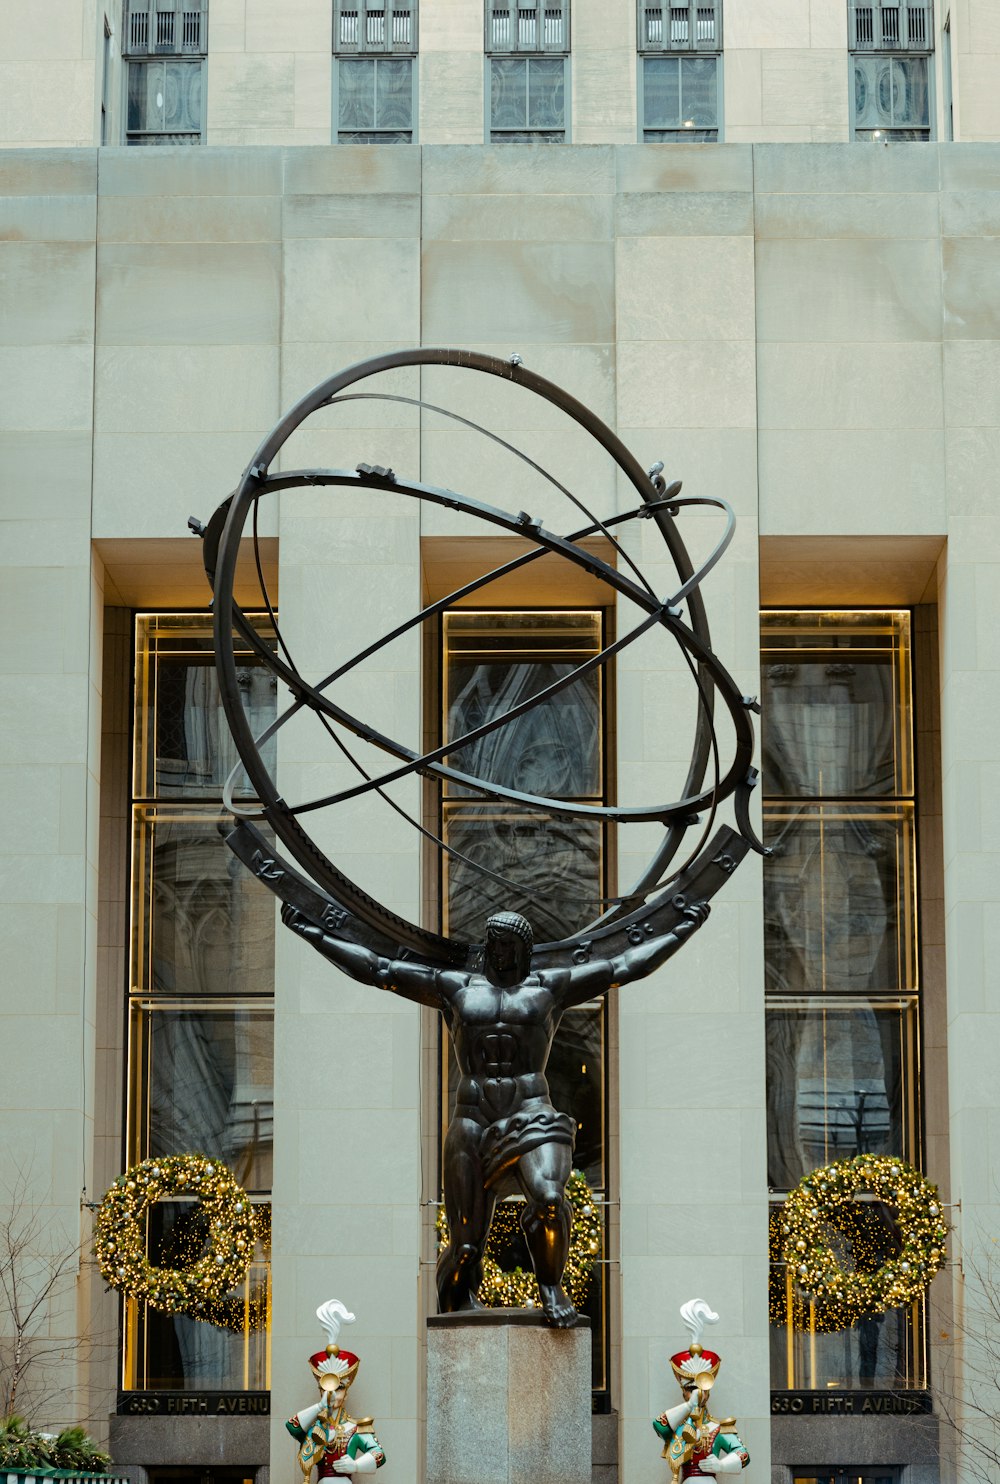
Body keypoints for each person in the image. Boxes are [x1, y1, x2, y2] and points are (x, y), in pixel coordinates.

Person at [282, 900, 708, 1326]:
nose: (495, 952)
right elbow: (380, 971)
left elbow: (622, 968)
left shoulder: (549, 988)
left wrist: (681, 930)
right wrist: (314, 934)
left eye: (504, 945)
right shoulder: (456, 989)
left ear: (522, 949)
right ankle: (455, 1309)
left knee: (550, 1199)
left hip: (530, 1113)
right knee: (466, 1249)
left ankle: (550, 1285)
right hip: (472, 1121)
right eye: (491, 943)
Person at [286, 1300, 386, 1478]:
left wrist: (355, 1465)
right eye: (325, 1388)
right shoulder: (313, 1427)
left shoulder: (356, 1428)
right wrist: (319, 1407)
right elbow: (292, 1426)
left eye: (339, 1388)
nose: (331, 1394)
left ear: (346, 1393)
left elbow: (379, 1455)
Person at [653, 1300, 750, 1480]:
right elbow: (659, 1425)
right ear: (683, 1391)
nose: (697, 1392)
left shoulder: (718, 1428)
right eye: (690, 1388)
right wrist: (688, 1406)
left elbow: (743, 1455)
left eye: (701, 1387)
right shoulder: (677, 1427)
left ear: (708, 1390)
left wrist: (721, 1465)